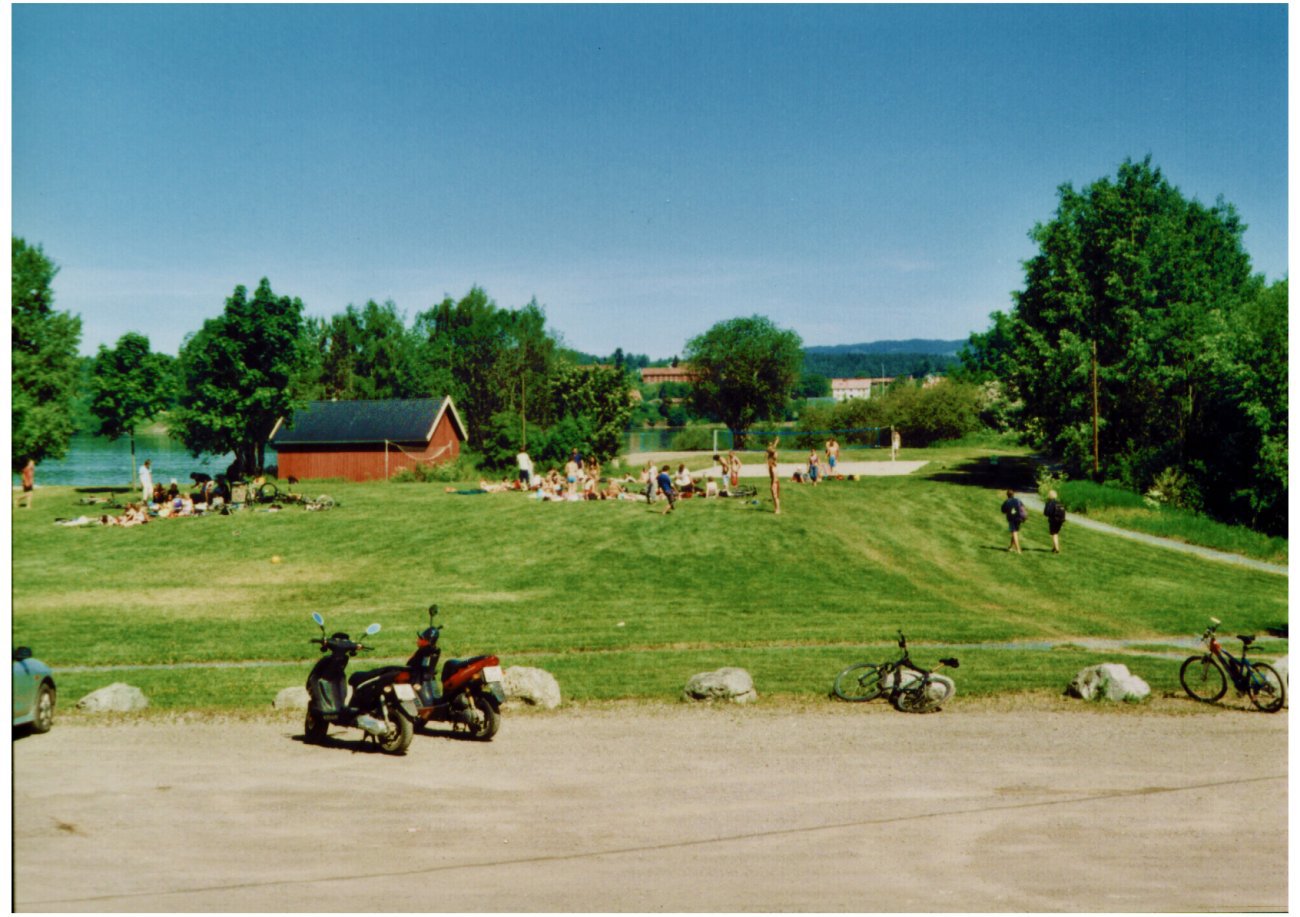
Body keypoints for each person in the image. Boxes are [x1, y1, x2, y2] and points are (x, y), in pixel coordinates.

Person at [1001, 489, 1025, 554]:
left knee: (1014, 533)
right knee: (1015, 532)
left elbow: (1003, 511)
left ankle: (1018, 550)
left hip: (1011, 519)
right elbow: (1022, 508)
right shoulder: (1018, 500)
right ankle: (1011, 547)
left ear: (1007, 495)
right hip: (1018, 518)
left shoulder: (1006, 502)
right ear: (1013, 494)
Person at [1043, 489, 1067, 554]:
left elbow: (1046, 513)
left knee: (1054, 533)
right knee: (1056, 533)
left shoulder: (1049, 503)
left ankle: (1057, 548)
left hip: (1053, 520)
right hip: (1060, 520)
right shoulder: (1059, 502)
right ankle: (1054, 548)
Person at [766, 440, 781, 515]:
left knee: (775, 496)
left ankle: (778, 509)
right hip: (774, 481)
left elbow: (771, 450)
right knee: (775, 496)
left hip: (774, 481)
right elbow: (771, 449)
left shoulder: (773, 466)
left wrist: (773, 483)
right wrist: (776, 442)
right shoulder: (772, 460)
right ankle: (776, 509)